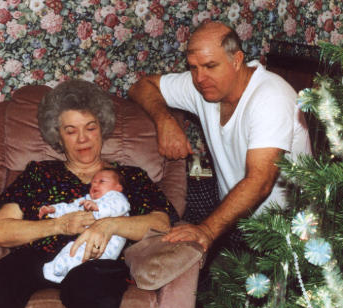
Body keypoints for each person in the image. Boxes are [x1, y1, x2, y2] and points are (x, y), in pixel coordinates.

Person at [0, 79, 178, 308]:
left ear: (103, 128)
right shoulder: (40, 173)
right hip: (36, 256)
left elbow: (161, 222)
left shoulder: (128, 177)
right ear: (58, 135)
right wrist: (58, 225)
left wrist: (108, 225)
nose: (82, 139)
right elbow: (0, 231)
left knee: (93, 293)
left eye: (91, 127)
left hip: (97, 261)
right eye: (71, 130)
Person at [128, 21, 312, 252]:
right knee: (159, 197)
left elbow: (260, 182)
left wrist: (206, 231)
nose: (199, 78)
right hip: (234, 209)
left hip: (281, 232)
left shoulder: (271, 97)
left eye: (210, 66)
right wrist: (164, 121)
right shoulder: (203, 86)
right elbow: (141, 86)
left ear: (236, 60)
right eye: (193, 67)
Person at [40, 168, 130, 283]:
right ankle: (57, 272)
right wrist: (54, 210)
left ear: (118, 187)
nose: (95, 184)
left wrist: (98, 208)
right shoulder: (87, 200)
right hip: (86, 241)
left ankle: (64, 271)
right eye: (93, 182)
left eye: (102, 181)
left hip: (106, 247)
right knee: (72, 249)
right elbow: (71, 208)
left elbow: (120, 207)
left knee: (83, 256)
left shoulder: (116, 198)